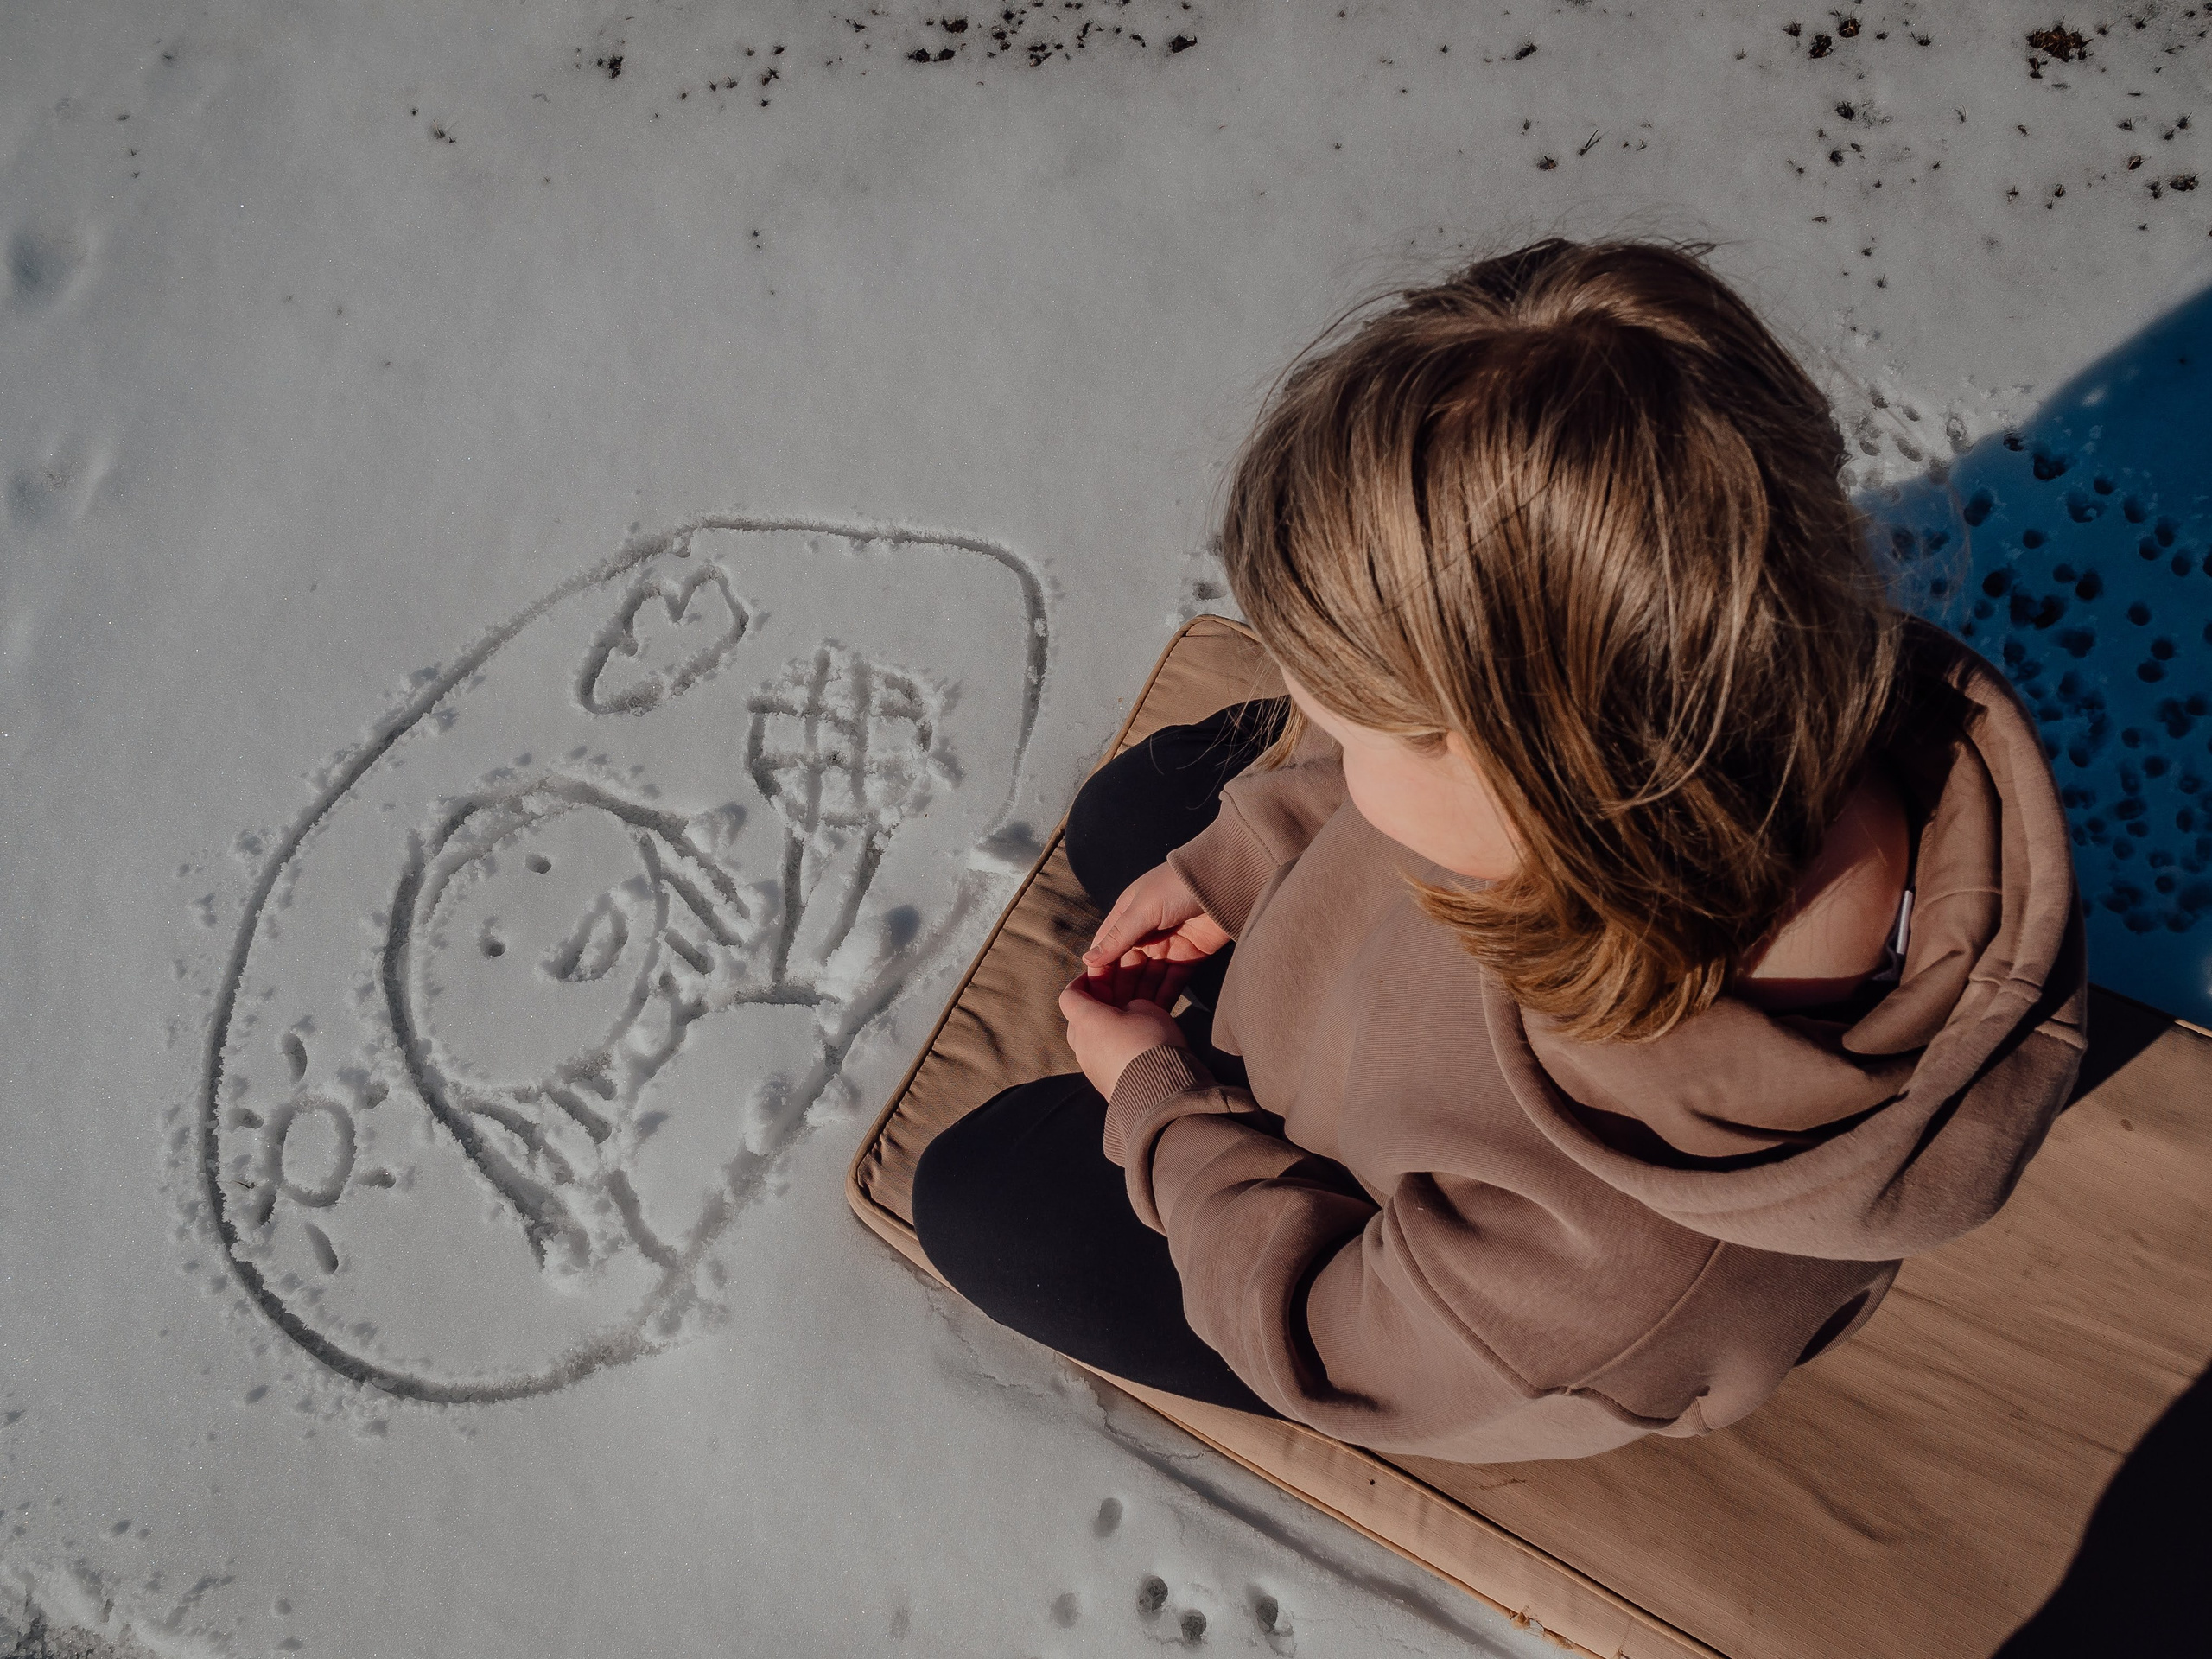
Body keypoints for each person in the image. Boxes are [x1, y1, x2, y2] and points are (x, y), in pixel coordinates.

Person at [912, 238, 2087, 1460]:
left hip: (1374, 1275)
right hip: (1376, 990)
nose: (1302, 725)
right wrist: (1251, 856)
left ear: (1537, 781)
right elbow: (1386, 802)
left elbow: (1323, 1339)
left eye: (1345, 717)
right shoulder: (1745, 683)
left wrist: (1158, 1101)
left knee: (983, 1197)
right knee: (1131, 812)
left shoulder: (1616, 1272)